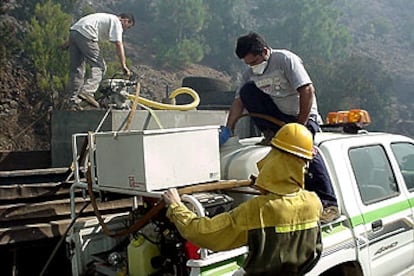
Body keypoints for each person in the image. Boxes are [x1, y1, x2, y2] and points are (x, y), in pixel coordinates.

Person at [164, 123, 323, 275]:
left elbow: (205, 233)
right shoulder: (314, 202)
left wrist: (176, 207)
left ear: (275, 158)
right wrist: (266, 187)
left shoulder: (257, 209)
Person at [220, 31, 339, 223]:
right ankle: (271, 133)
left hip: (303, 115)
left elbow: (307, 90)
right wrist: (228, 129)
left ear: (265, 52)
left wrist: (300, 129)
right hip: (278, 117)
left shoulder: (285, 60)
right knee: (247, 91)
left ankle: (329, 203)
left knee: (307, 151)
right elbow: (238, 103)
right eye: (248, 64)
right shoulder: (249, 73)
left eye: (254, 62)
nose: (252, 67)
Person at [67, 12, 135, 110]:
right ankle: (87, 92)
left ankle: (73, 101)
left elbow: (78, 32)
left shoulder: (104, 17)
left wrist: (67, 44)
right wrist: (123, 65)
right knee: (100, 67)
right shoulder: (116, 22)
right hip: (87, 33)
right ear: (125, 20)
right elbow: (118, 44)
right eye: (128, 27)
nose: (125, 30)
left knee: (77, 70)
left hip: (74, 32)